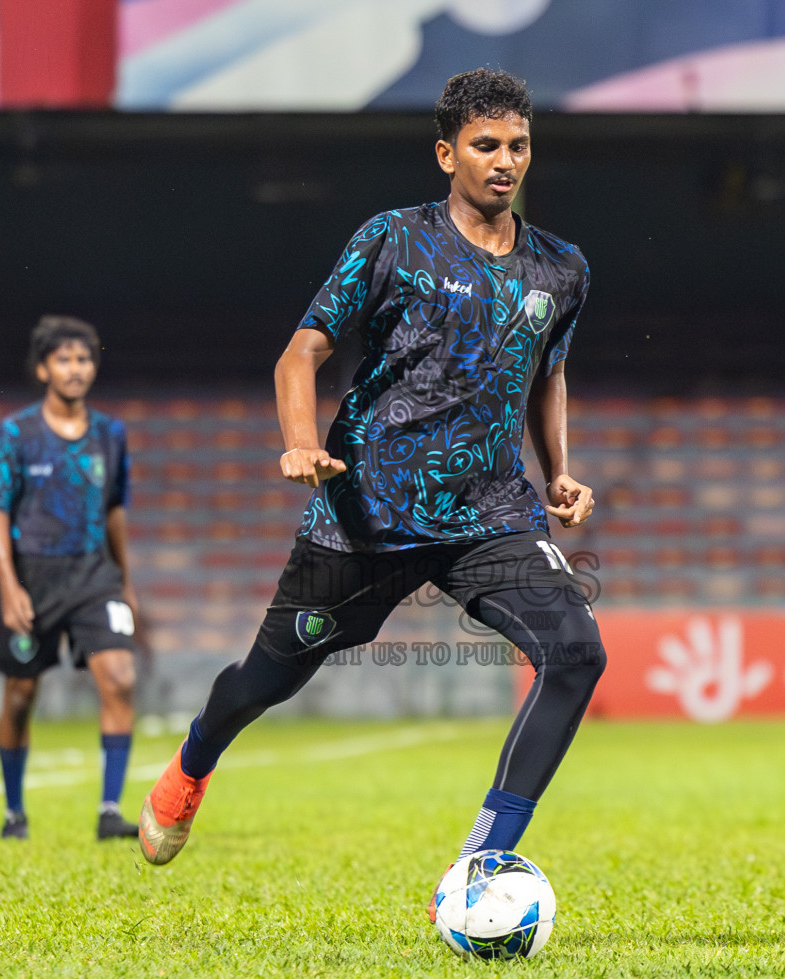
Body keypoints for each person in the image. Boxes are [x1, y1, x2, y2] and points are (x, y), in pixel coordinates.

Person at [138, 70, 605, 891]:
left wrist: (560, 472)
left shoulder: (561, 268)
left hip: (489, 514)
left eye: (518, 145)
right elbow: (303, 351)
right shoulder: (393, 239)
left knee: (575, 653)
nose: (505, 161)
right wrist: (298, 441)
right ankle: (193, 760)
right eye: (485, 145)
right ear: (445, 153)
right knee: (266, 678)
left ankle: (481, 860)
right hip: (368, 512)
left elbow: (547, 374)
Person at [0, 315, 141, 841]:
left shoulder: (110, 434)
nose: (76, 369)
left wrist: (126, 581)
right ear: (44, 367)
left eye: (85, 359)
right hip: (34, 577)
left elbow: (115, 511)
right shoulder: (15, 433)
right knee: (21, 696)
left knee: (119, 678)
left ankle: (110, 810)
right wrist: (8, 587)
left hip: (95, 573)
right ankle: (13, 812)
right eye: (65, 359)